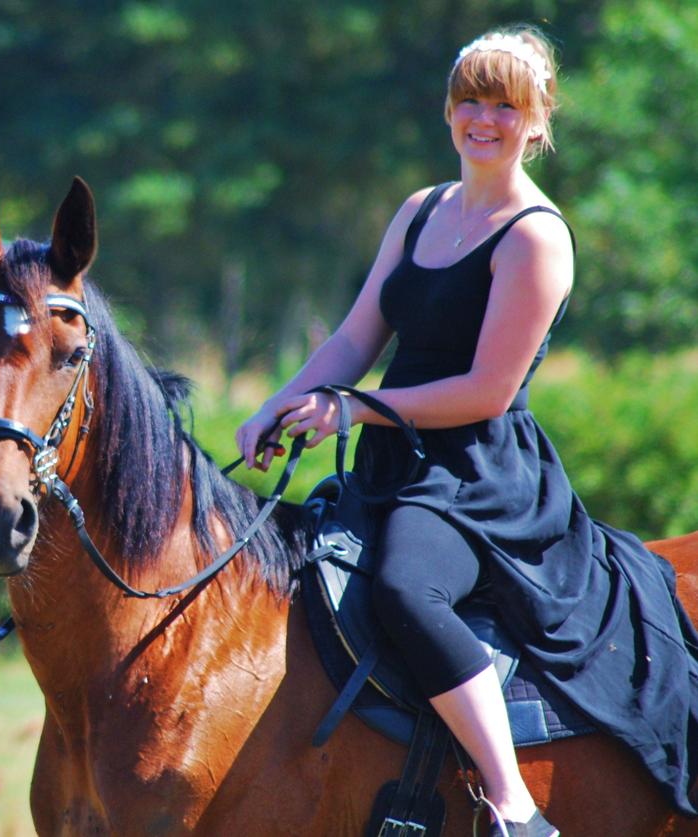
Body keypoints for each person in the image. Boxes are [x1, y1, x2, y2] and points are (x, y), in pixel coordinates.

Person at [236, 24, 698, 837]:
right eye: (471, 101)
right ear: (449, 111)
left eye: (506, 106)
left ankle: (514, 806)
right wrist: (277, 405)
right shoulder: (420, 211)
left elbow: (487, 391)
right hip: (392, 452)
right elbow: (353, 340)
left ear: (538, 121)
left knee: (406, 589)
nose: (485, 119)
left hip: (476, 476)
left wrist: (349, 408)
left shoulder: (536, 236)